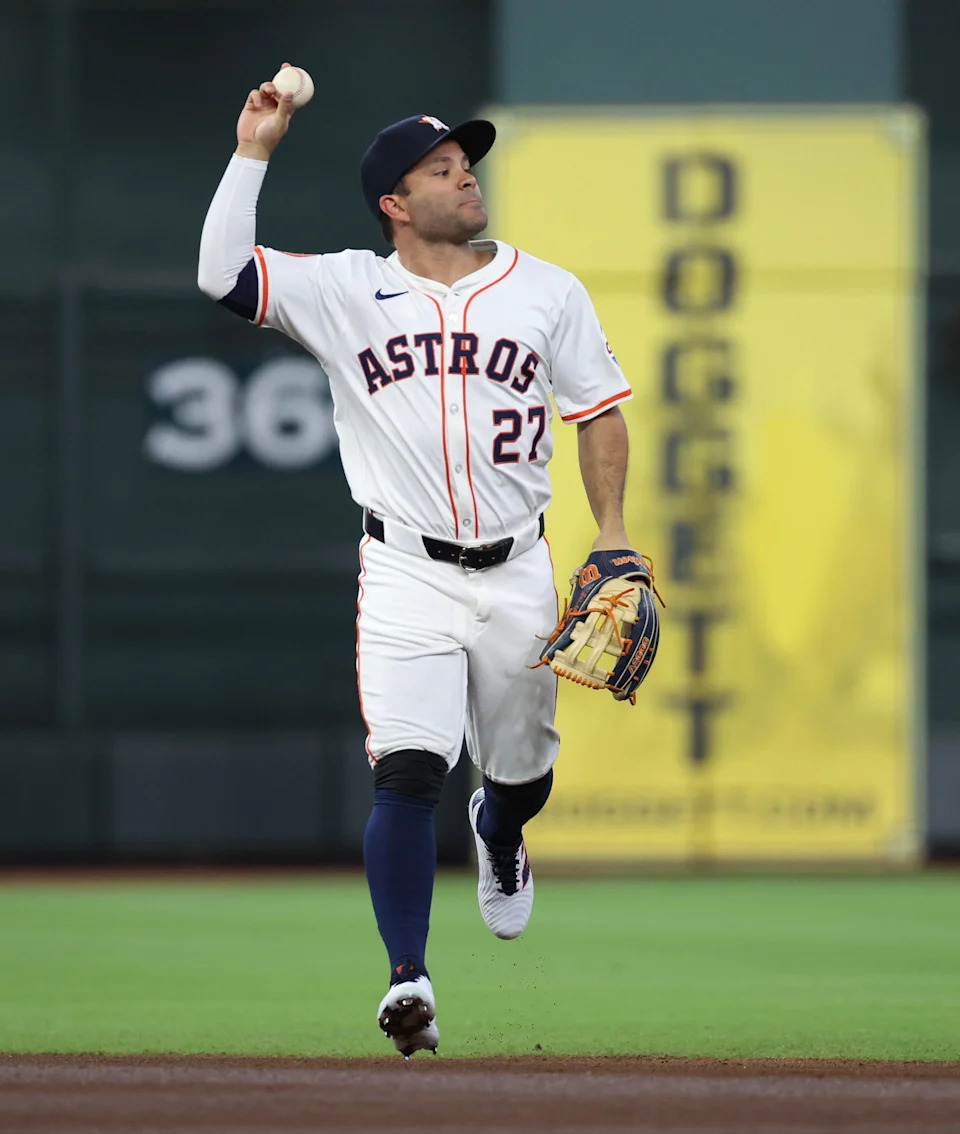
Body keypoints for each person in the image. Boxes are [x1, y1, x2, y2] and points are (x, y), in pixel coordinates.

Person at [198, 66, 635, 1058]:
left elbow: (600, 412)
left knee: (521, 771)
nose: (464, 178)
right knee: (406, 769)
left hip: (519, 568)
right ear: (396, 204)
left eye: (465, 163)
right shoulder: (348, 288)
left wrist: (610, 534)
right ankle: (409, 981)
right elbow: (222, 276)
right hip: (404, 571)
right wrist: (253, 150)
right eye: (440, 169)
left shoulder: (545, 290)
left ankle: (503, 829)